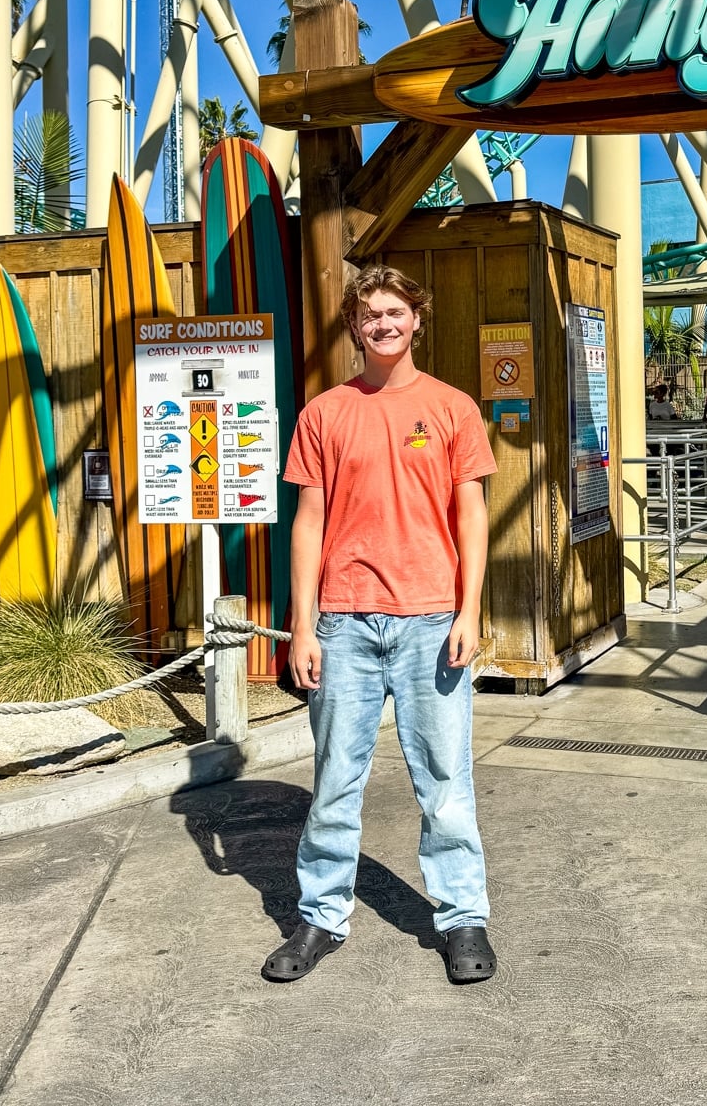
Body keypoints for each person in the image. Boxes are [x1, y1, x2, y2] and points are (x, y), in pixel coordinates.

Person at [262, 265, 499, 986]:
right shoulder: (324, 413)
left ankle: (462, 919)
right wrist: (302, 626)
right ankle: (321, 915)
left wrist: (471, 607)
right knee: (335, 780)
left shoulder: (453, 408)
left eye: (395, 311)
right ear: (354, 326)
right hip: (344, 623)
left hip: (432, 620)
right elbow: (306, 524)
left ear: (418, 318)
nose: (384, 324)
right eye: (370, 315)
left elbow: (472, 513)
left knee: (446, 782)